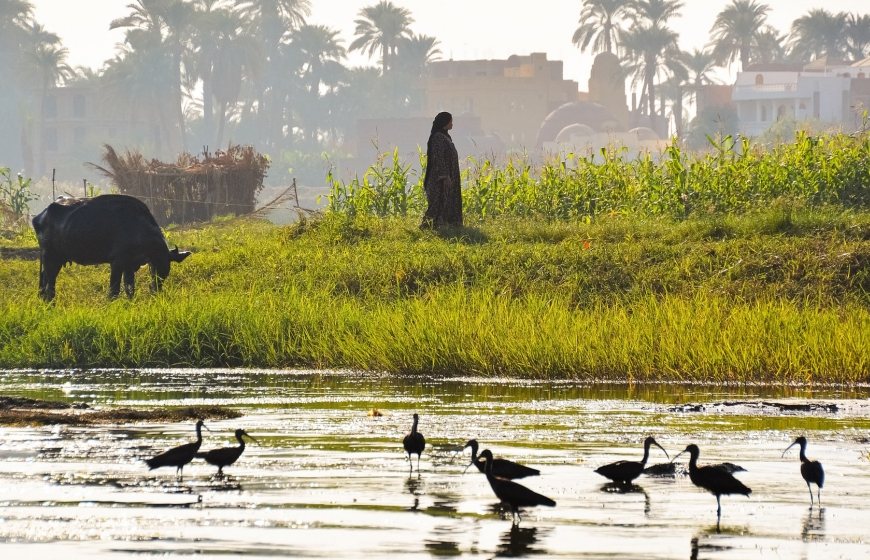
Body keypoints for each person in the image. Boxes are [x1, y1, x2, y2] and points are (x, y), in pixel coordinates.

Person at [421, 111, 462, 228]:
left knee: (446, 202)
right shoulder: (438, 137)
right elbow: (438, 157)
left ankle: (446, 226)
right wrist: (445, 176)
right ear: (445, 122)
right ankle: (427, 227)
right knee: (437, 204)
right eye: (450, 121)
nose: (452, 124)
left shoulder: (444, 136)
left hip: (448, 176)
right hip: (439, 178)